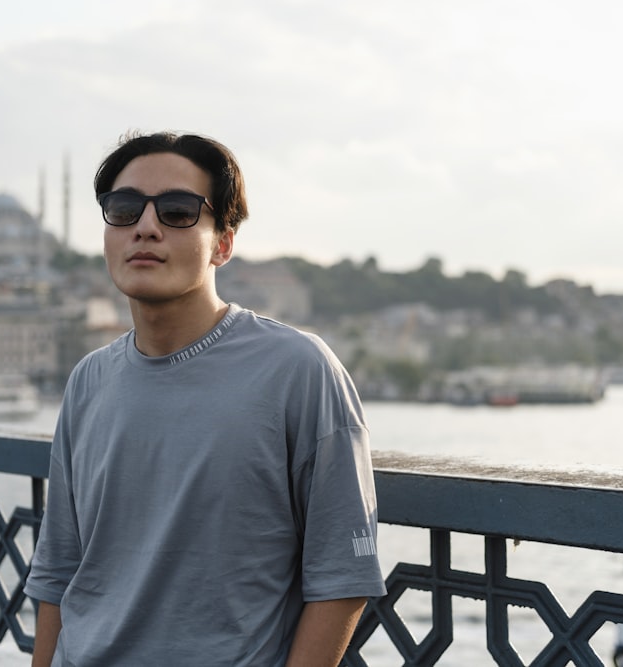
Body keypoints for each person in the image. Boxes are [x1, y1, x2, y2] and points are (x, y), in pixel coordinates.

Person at [24, 131, 386, 666]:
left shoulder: (298, 370)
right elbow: (59, 570)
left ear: (223, 242)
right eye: (123, 210)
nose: (145, 227)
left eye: (177, 211)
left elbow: (342, 575)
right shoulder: (88, 381)